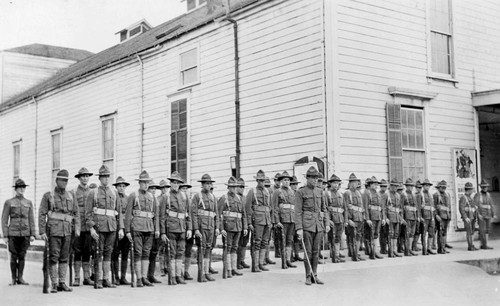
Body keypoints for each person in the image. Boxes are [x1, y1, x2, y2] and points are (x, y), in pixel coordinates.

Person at [39, 169, 81, 293]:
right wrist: (42, 231)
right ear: (56, 181)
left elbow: (76, 213)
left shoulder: (71, 195)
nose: (64, 182)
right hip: (53, 231)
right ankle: (54, 283)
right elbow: (42, 214)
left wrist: (77, 228)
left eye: (66, 180)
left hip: (67, 231)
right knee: (53, 257)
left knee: (64, 257)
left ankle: (62, 282)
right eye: (62, 180)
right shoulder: (48, 195)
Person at [86, 165, 124, 289]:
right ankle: (98, 279)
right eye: (103, 177)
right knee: (98, 252)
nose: (106, 179)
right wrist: (91, 228)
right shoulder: (93, 193)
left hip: (112, 227)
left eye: (108, 177)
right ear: (100, 178)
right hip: (99, 227)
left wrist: (121, 228)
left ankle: (107, 279)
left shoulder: (114, 193)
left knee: (109, 252)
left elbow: (119, 212)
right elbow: (87, 213)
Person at [295, 166, 330, 285]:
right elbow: (298, 212)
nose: (315, 180)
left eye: (316, 178)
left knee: (316, 251)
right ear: (307, 178)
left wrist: (326, 223)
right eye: (313, 178)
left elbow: (324, 209)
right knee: (308, 252)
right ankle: (308, 276)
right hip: (307, 225)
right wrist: (299, 228)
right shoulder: (300, 192)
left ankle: (315, 275)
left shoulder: (320, 191)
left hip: (318, 225)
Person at [125, 170, 160, 287]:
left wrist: (157, 229)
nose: (146, 185)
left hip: (149, 228)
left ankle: (144, 277)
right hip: (137, 227)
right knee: (138, 252)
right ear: (139, 183)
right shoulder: (133, 195)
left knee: (146, 252)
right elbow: (128, 214)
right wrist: (127, 231)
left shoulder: (152, 197)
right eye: (144, 182)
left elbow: (156, 215)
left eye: (147, 182)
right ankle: (138, 278)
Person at [160, 171, 192, 285]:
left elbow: (188, 214)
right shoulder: (166, 197)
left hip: (182, 228)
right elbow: (162, 216)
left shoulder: (184, 196)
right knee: (172, 253)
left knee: (180, 252)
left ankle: (179, 276)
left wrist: (189, 229)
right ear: (170, 183)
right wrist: (163, 233)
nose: (175, 185)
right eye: (173, 182)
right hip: (171, 228)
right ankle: (172, 276)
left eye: (177, 183)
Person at [2, 179, 36, 285]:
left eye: (23, 187)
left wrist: (32, 234)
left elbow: (31, 219)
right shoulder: (9, 202)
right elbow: (4, 220)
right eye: (20, 187)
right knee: (13, 255)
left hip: (25, 233)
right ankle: (13, 279)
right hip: (13, 233)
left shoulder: (28, 203)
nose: (22, 189)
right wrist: (6, 235)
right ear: (15, 189)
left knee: (22, 255)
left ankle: (20, 278)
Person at [190, 174, 219, 282]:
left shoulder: (213, 197)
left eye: (210, 183)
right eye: (207, 183)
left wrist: (217, 227)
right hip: (202, 227)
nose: (209, 185)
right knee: (201, 249)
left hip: (211, 226)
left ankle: (206, 272)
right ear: (202, 185)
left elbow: (216, 214)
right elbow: (194, 214)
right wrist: (196, 229)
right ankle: (201, 274)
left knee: (208, 249)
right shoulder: (197, 196)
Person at [218, 176, 248, 277]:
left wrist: (245, 227)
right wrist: (221, 228)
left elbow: (243, 214)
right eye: (231, 187)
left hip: (238, 227)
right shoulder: (223, 198)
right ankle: (228, 269)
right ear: (228, 188)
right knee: (228, 248)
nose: (234, 189)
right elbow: (219, 215)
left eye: (235, 187)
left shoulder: (239, 198)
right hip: (228, 228)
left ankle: (234, 268)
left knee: (235, 248)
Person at [246, 170, 273, 272]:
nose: (261, 182)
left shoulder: (267, 191)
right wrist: (249, 222)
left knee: (265, 242)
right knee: (257, 242)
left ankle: (261, 263)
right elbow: (248, 208)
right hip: (257, 220)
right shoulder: (252, 191)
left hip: (266, 220)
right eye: (260, 180)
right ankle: (255, 265)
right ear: (257, 181)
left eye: (263, 180)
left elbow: (270, 207)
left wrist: (270, 221)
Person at [71, 167, 94, 286]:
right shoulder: (74, 192)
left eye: (87, 176)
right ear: (79, 178)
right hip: (78, 227)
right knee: (77, 251)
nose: (85, 178)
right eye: (83, 176)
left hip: (89, 226)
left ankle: (86, 277)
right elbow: (72, 210)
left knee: (87, 251)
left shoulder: (92, 192)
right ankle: (76, 277)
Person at [271, 171, 296, 268]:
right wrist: (277, 221)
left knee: (290, 240)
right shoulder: (277, 192)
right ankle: (284, 262)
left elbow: (294, 206)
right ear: (281, 181)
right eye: (285, 180)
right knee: (283, 240)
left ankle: (288, 260)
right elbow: (274, 207)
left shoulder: (292, 192)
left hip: (291, 219)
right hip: (283, 219)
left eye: (288, 180)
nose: (287, 182)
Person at [110, 176, 131, 286]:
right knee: (115, 253)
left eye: (123, 186)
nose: (121, 188)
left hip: (127, 228)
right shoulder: (112, 197)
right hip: (116, 227)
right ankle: (115, 277)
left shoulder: (128, 198)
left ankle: (123, 277)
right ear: (116, 187)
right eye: (119, 186)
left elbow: (129, 214)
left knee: (125, 253)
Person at [344, 173, 365, 261]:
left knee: (358, 236)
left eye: (357, 182)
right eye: (355, 182)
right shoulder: (347, 193)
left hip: (359, 218)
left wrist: (363, 217)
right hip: (352, 218)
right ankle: (353, 255)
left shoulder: (359, 193)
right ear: (351, 183)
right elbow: (345, 207)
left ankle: (356, 253)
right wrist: (348, 220)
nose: (357, 184)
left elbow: (361, 207)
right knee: (352, 236)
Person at [362, 176, 385, 260]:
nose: (376, 186)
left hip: (378, 217)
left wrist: (383, 218)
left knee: (376, 235)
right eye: (374, 184)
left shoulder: (378, 194)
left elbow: (382, 207)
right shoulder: (367, 193)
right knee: (371, 235)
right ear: (370, 184)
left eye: (376, 184)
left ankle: (375, 251)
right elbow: (365, 206)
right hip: (371, 217)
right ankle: (371, 253)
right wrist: (367, 218)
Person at [326, 174, 347, 263]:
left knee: (338, 237)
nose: (335, 185)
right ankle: (334, 256)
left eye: (337, 183)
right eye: (334, 183)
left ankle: (337, 255)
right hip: (332, 220)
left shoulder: (341, 194)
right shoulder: (327, 194)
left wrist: (345, 220)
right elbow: (326, 209)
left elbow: (345, 208)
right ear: (330, 184)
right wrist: (328, 220)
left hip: (340, 219)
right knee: (332, 238)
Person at [146, 181, 162, 284]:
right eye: (151, 188)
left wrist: (157, 229)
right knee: (146, 252)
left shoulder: (157, 200)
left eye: (155, 189)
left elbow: (158, 216)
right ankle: (144, 275)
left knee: (154, 252)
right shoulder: (146, 199)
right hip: (146, 228)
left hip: (155, 229)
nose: (153, 190)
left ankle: (151, 275)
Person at [474, 180, 496, 250]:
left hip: (488, 214)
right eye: (483, 187)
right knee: (482, 230)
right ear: (481, 187)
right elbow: (475, 205)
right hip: (482, 215)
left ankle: (485, 244)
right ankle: (483, 245)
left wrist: (493, 214)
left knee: (487, 230)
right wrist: (478, 214)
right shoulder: (478, 195)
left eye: (486, 187)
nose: (485, 188)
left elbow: (491, 204)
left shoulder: (488, 195)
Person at [386, 179, 403, 258]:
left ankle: (394, 250)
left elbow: (399, 208)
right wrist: (385, 217)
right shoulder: (387, 195)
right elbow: (384, 207)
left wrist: (400, 218)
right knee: (391, 234)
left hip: (396, 217)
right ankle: (390, 251)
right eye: (394, 186)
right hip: (390, 216)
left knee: (396, 234)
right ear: (391, 186)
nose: (395, 188)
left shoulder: (398, 195)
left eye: (396, 186)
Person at [156, 180, 170, 277]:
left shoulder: (169, 198)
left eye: (166, 187)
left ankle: (167, 267)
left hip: (168, 225)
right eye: (162, 188)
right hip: (161, 225)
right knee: (161, 248)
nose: (164, 189)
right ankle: (161, 268)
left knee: (168, 247)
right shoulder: (157, 199)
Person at [433, 180, 451, 254]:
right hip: (440, 216)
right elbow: (433, 206)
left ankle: (443, 247)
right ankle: (440, 249)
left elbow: (449, 206)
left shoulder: (447, 195)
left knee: (444, 233)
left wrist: (450, 216)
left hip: (446, 216)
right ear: (439, 187)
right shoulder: (436, 195)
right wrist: (436, 215)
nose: (443, 189)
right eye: (442, 187)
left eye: (444, 187)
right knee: (440, 232)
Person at [402, 179, 419, 256]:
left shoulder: (413, 195)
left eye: (412, 186)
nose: (411, 187)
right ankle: (407, 250)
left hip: (413, 217)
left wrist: (417, 216)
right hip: (407, 217)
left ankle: (410, 249)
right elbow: (401, 207)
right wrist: (402, 218)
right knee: (407, 234)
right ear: (406, 186)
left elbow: (416, 207)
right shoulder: (403, 195)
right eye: (409, 186)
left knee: (412, 233)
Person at [236, 178, 251, 270]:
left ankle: (242, 260)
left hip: (245, 223)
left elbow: (248, 211)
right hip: (237, 223)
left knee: (244, 243)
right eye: (240, 186)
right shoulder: (235, 198)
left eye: (243, 187)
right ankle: (237, 262)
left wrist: (249, 223)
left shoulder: (245, 198)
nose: (241, 188)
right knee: (238, 243)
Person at [459, 182, 477, 251]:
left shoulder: (470, 197)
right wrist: (465, 217)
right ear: (468, 190)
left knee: (472, 232)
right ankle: (470, 246)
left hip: (472, 217)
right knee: (469, 232)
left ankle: (472, 245)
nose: (472, 191)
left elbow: (472, 207)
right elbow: (461, 208)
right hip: (468, 218)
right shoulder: (463, 198)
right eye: (471, 189)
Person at [289, 176, 304, 262]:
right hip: (290, 217)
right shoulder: (289, 193)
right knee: (290, 238)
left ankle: (297, 254)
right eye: (293, 184)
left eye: (296, 184)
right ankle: (290, 256)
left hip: (297, 218)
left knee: (297, 238)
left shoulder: (298, 193)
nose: (295, 186)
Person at [420, 179, 436, 255]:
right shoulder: (420, 195)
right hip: (424, 217)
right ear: (423, 186)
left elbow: (432, 206)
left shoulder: (430, 195)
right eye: (426, 185)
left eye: (428, 185)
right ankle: (424, 249)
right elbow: (419, 207)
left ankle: (429, 248)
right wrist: (420, 216)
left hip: (431, 217)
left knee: (431, 233)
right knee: (424, 233)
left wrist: (433, 216)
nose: (427, 187)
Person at [412, 180, 424, 252]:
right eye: (418, 188)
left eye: (420, 188)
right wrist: (419, 217)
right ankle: (414, 246)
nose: (419, 189)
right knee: (416, 231)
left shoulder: (420, 195)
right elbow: (418, 207)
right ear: (415, 188)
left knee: (418, 231)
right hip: (417, 216)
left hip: (420, 215)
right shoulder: (417, 195)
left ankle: (414, 245)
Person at [378, 179, 389, 254]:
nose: (384, 188)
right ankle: (382, 248)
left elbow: (387, 207)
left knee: (386, 233)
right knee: (381, 233)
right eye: (382, 186)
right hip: (379, 215)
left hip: (386, 215)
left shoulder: (386, 195)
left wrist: (386, 217)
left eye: (385, 187)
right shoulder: (378, 194)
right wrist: (383, 218)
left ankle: (385, 248)